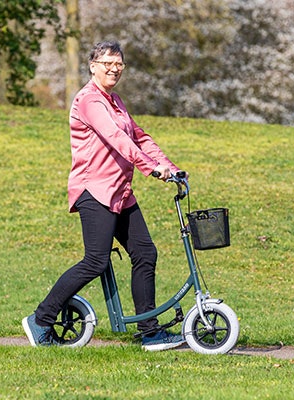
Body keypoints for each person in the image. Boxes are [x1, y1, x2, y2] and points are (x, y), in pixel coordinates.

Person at [23, 40, 186, 351]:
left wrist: (170, 167)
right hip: (94, 190)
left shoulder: (115, 101)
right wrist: (149, 168)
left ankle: (149, 333)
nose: (114, 68)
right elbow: (114, 138)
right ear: (93, 66)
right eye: (108, 63)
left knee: (145, 254)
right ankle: (41, 319)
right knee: (95, 260)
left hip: (120, 193)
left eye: (119, 64)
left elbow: (139, 137)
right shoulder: (89, 101)